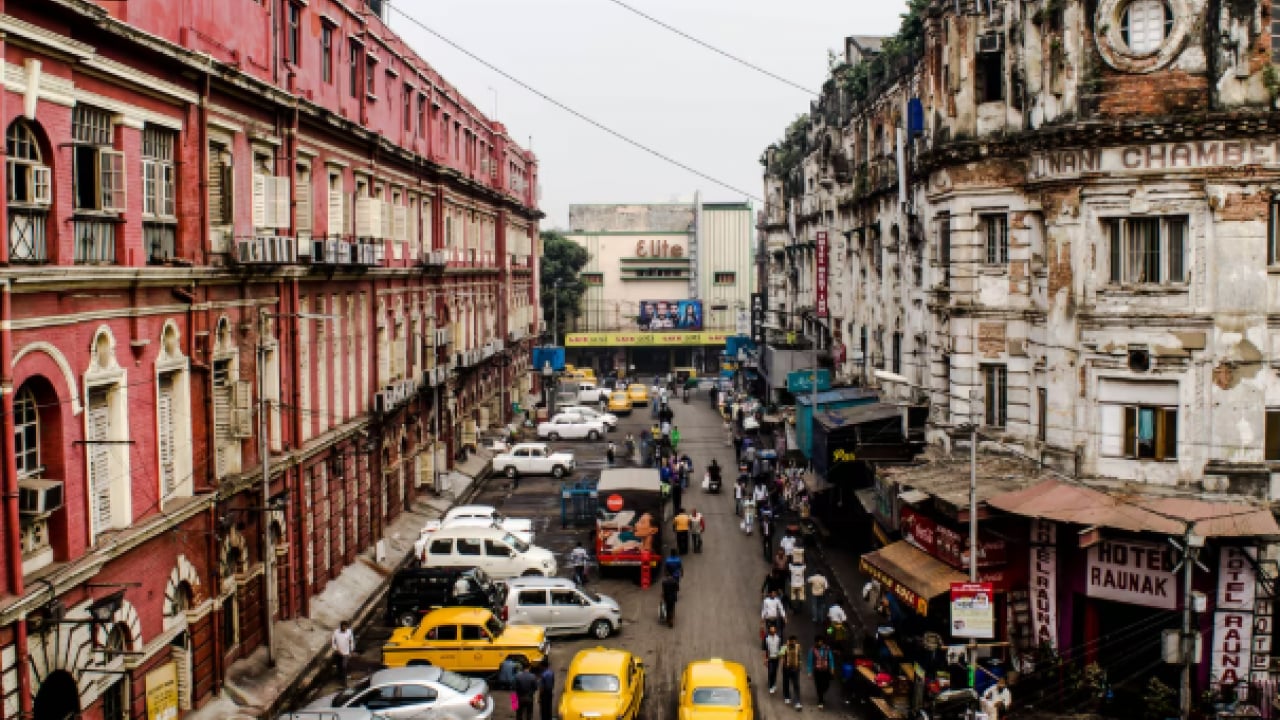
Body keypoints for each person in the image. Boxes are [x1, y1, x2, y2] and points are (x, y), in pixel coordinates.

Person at [808, 637, 836, 710]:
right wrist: (809, 672)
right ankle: (820, 701)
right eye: (818, 642)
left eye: (821, 641)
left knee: (826, 685)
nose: (820, 643)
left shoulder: (827, 649)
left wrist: (832, 668)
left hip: (826, 671)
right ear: (816, 642)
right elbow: (810, 661)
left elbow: (831, 659)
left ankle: (821, 694)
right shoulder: (812, 650)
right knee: (819, 685)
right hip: (817, 671)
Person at [780, 634, 803, 708]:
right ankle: (787, 697)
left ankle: (797, 701)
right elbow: (780, 654)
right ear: (789, 641)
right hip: (786, 668)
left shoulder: (798, 647)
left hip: (795, 669)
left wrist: (799, 666)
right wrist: (785, 646)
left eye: (794, 641)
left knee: (796, 685)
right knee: (786, 683)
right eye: (792, 641)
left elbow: (800, 656)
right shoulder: (784, 647)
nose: (793, 643)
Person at [331, 620, 355, 685]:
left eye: (346, 627)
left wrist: (351, 650)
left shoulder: (349, 632)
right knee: (339, 666)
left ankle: (344, 682)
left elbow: (351, 641)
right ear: (341, 626)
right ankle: (340, 677)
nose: (345, 628)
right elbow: (333, 643)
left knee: (344, 666)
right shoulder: (336, 632)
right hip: (338, 653)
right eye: (344, 626)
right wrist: (337, 650)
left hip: (346, 653)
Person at [762, 623, 783, 694]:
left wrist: (781, 657)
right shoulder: (766, 638)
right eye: (771, 630)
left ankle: (773, 683)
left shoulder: (779, 638)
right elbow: (765, 649)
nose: (772, 631)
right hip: (770, 658)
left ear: (775, 630)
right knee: (771, 671)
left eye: (773, 630)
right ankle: (771, 686)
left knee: (774, 671)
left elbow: (781, 648)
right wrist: (765, 659)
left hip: (776, 657)